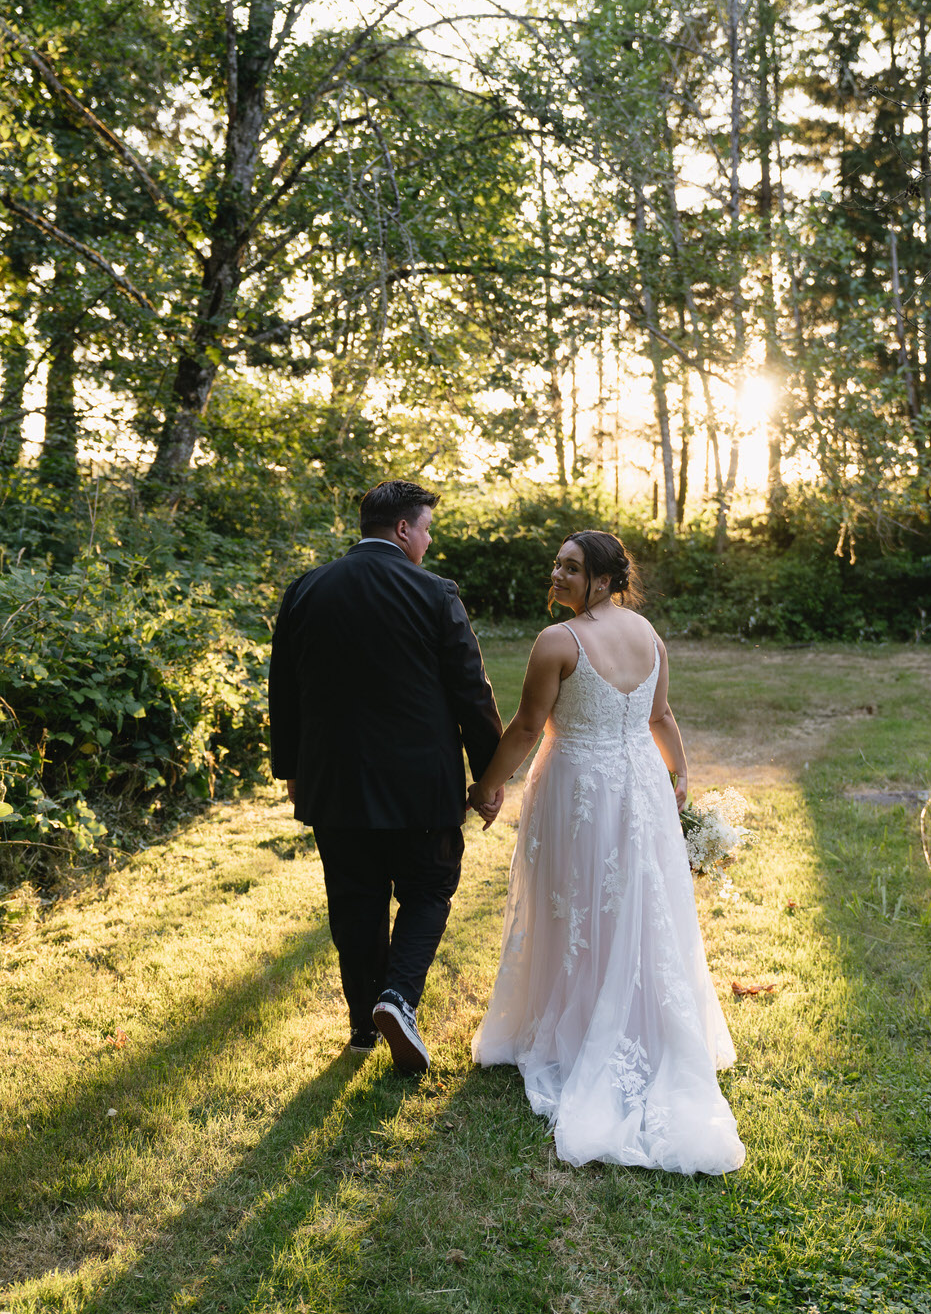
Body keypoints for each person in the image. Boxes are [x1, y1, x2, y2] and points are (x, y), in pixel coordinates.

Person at [468, 530, 745, 1173]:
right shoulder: (646, 634)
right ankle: (622, 1019)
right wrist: (678, 775)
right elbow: (662, 719)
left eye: (571, 567)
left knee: (572, 907)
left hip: (577, 789)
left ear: (602, 579)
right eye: (557, 563)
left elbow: (529, 727)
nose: (557, 573)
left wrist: (487, 785)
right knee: (631, 906)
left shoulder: (557, 642)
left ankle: (579, 1027)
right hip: (638, 785)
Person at [269, 479, 503, 1073]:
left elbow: (285, 693)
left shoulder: (305, 589)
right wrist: (489, 775)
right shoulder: (434, 592)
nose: (427, 540)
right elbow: (471, 691)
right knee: (427, 891)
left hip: (333, 784)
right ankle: (397, 997)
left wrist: (290, 769)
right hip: (419, 785)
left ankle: (361, 1027)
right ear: (403, 529)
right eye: (426, 529)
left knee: (355, 901)